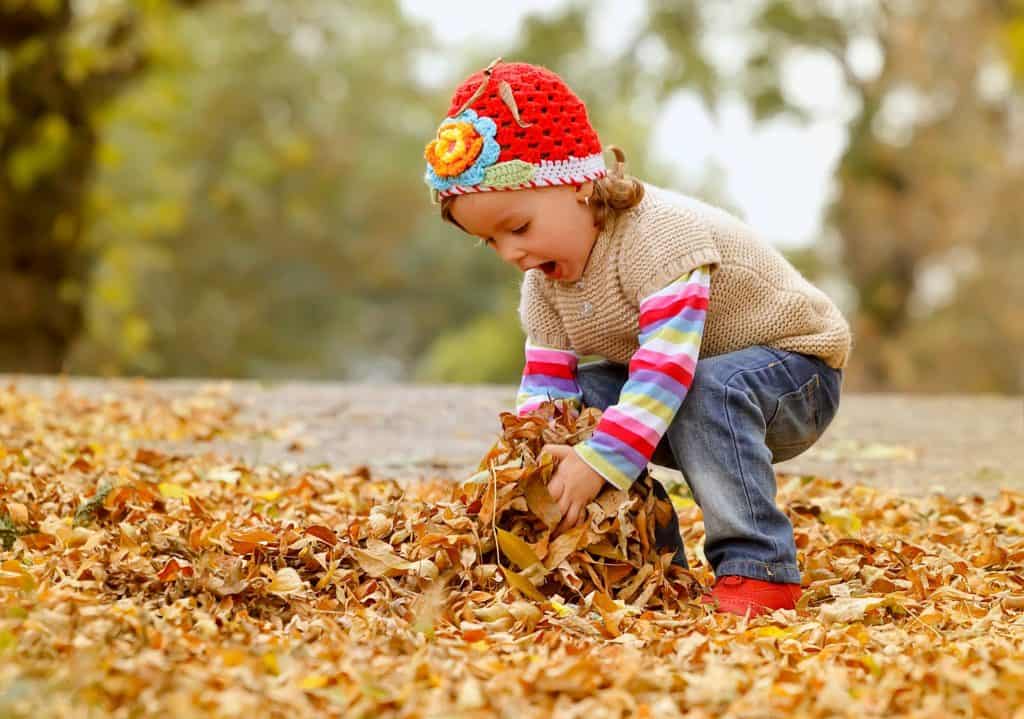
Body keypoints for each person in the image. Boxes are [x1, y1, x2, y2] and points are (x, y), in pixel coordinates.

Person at [422, 59, 851, 618]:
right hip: (692, 384)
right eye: (491, 242)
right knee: (583, 400)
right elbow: (547, 394)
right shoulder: (543, 284)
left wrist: (599, 462)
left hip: (795, 374)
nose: (511, 253)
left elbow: (665, 371)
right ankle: (655, 561)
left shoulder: (660, 239)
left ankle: (759, 566)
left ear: (579, 184)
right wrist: (541, 464)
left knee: (708, 388)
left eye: (519, 227)